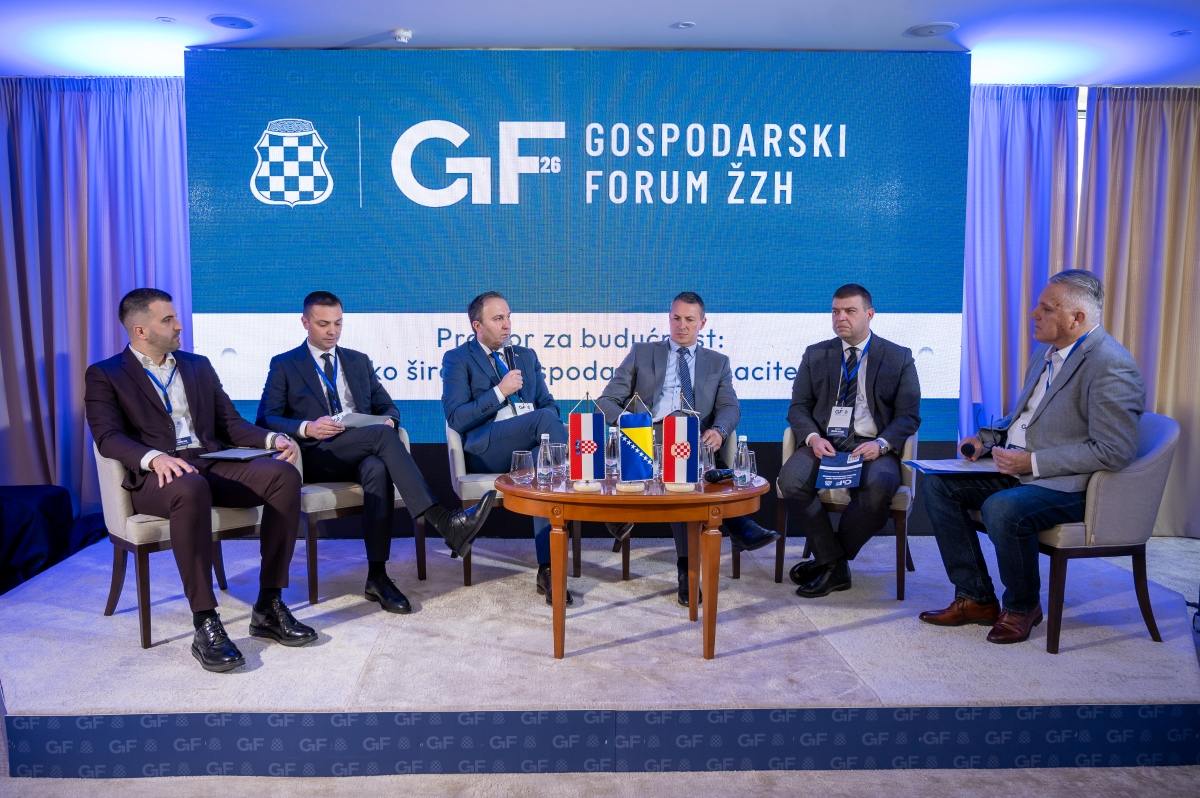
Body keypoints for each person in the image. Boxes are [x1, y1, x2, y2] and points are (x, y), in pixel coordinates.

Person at [85, 288, 310, 673]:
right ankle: (205, 622)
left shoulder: (197, 365)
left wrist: (273, 439)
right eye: (168, 320)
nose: (178, 325)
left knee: (283, 475)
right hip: (158, 476)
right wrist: (155, 458)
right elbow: (107, 437)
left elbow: (229, 423)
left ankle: (269, 605)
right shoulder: (105, 374)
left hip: (209, 460)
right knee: (190, 488)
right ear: (141, 330)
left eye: (175, 317)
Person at [919, 270, 1144, 643]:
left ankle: (1023, 608)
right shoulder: (1046, 352)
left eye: (1046, 308)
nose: (1033, 314)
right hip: (1019, 471)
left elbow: (1114, 450)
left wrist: (1033, 462)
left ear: (1077, 318)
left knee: (1002, 508)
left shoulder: (1110, 365)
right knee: (938, 486)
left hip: (1069, 486)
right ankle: (976, 598)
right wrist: (987, 440)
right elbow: (1024, 418)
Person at [256, 291, 495, 614]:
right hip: (317, 455)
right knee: (381, 439)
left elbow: (390, 408)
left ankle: (377, 577)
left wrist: (388, 420)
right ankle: (444, 521)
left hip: (361, 448)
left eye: (338, 323)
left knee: (377, 467)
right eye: (324, 324)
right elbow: (265, 418)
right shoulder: (285, 364)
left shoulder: (358, 361)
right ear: (305, 322)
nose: (333, 331)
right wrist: (307, 427)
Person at [597, 291, 780, 607]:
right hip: (649, 437)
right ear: (669, 318)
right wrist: (634, 425)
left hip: (694, 439)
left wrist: (719, 431)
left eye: (689, 320)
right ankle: (734, 532)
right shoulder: (642, 353)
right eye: (676, 318)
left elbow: (730, 407)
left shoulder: (717, 362)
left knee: (683, 469)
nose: (681, 326)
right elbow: (605, 401)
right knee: (684, 473)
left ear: (702, 323)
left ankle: (689, 568)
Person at [779, 284, 921, 598]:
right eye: (835, 311)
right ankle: (834, 564)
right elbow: (798, 408)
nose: (840, 317)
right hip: (826, 444)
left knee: (878, 489)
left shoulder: (898, 357)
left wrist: (881, 445)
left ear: (869, 314)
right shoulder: (816, 354)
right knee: (791, 479)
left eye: (849, 311)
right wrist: (813, 438)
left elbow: (908, 416)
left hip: (872, 447)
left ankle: (829, 561)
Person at [441, 291, 573, 605]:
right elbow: (457, 417)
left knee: (543, 462)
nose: (506, 325)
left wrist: (536, 423)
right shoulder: (457, 358)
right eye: (498, 319)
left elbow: (549, 404)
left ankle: (549, 570)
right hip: (487, 449)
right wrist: (500, 392)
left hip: (529, 446)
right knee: (544, 423)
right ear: (477, 326)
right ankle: (592, 490)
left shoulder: (525, 356)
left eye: (508, 317)